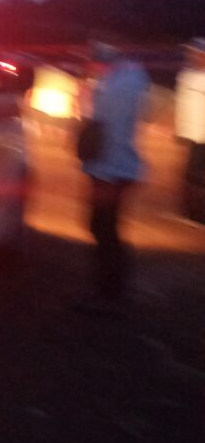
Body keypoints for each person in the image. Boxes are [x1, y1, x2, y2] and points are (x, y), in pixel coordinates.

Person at [75, 42, 150, 312]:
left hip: (109, 169)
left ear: (103, 61)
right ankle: (113, 290)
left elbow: (97, 122)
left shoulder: (113, 87)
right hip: (118, 167)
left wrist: (85, 93)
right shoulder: (132, 80)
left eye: (93, 63)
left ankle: (108, 294)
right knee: (107, 228)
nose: (92, 68)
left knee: (103, 228)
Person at [174, 37, 205, 224]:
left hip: (202, 134)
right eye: (190, 53)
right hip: (193, 134)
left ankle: (198, 212)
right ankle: (193, 211)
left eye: (195, 53)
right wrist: (180, 129)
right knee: (192, 174)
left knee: (197, 174)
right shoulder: (186, 76)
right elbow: (183, 105)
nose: (191, 56)